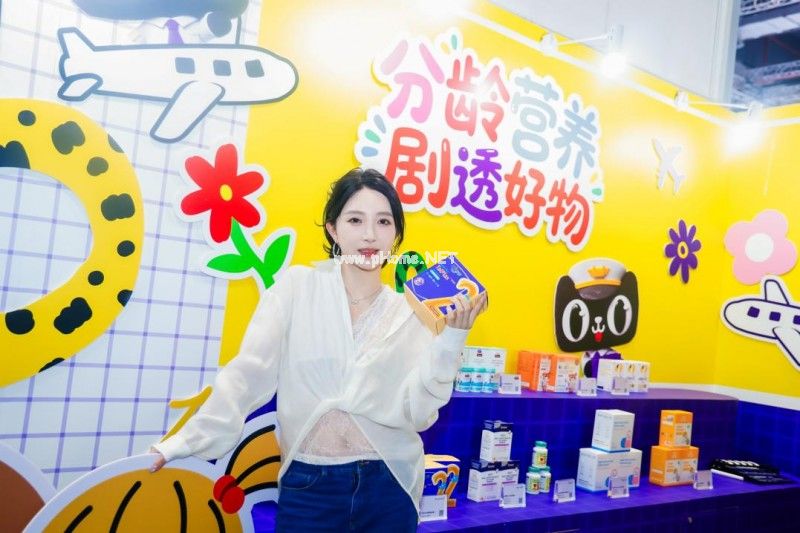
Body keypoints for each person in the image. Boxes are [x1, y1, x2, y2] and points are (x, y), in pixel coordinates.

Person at [150, 167, 488, 531]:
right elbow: (248, 372)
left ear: (396, 234)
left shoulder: (412, 312)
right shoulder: (297, 288)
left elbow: (420, 412)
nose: (370, 234)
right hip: (309, 484)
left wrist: (453, 338)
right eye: (355, 220)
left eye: (383, 222)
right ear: (333, 229)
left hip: (390, 485)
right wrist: (185, 441)